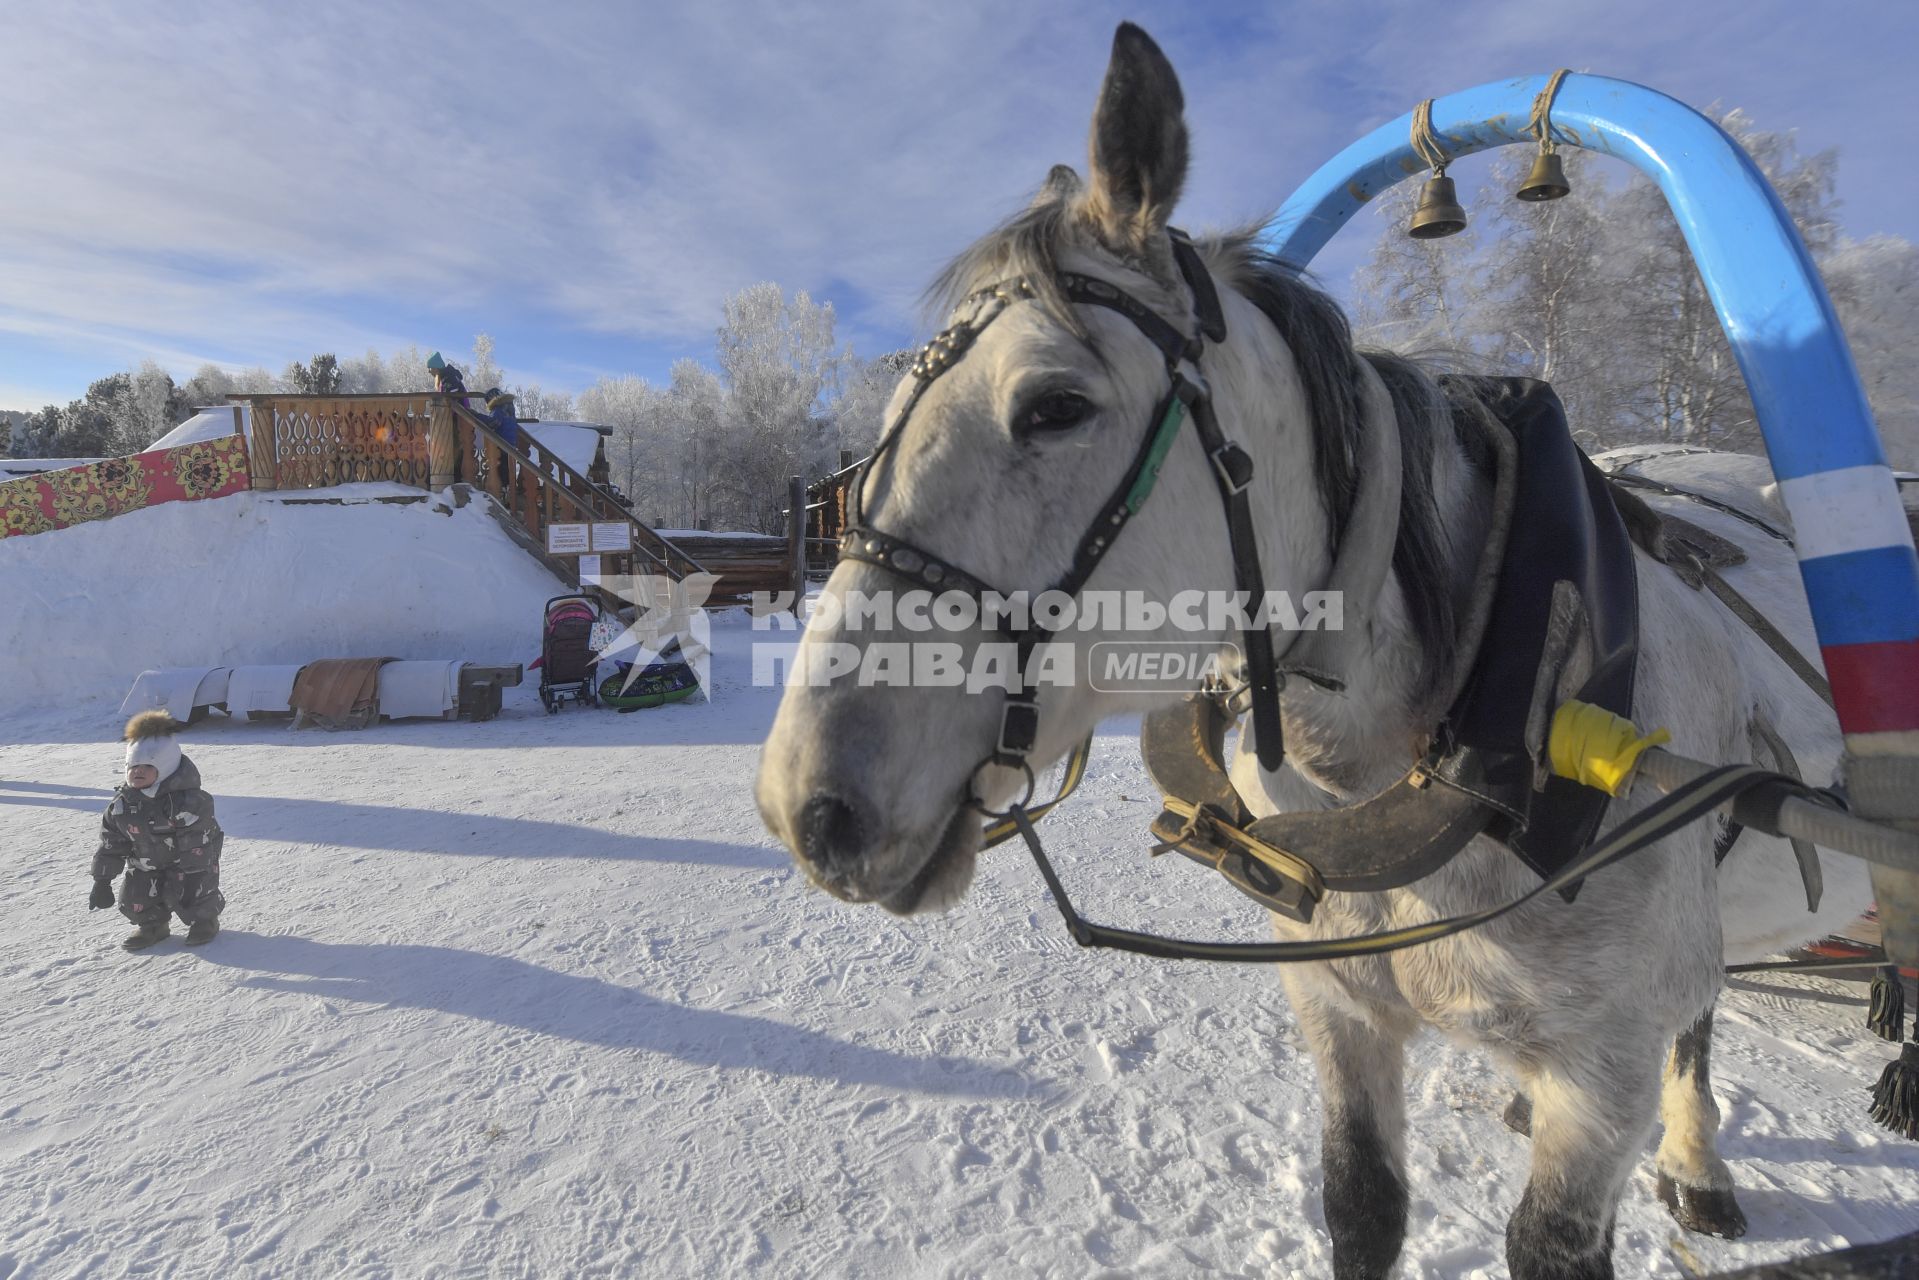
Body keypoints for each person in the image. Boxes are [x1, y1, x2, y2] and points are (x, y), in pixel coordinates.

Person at [90, 712, 226, 950]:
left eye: (146, 766)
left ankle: (205, 921)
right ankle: (153, 926)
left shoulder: (188, 801)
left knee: (196, 892)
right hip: (145, 862)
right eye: (133, 767)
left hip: (189, 861)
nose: (138, 772)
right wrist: (102, 880)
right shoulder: (122, 805)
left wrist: (194, 870)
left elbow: (198, 840)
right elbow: (111, 842)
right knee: (134, 898)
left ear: (165, 767)